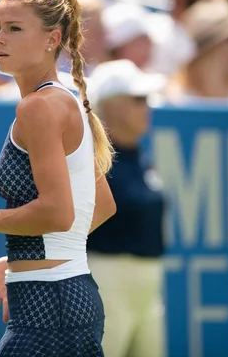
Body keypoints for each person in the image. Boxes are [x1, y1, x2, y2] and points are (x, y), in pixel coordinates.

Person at [0, 0, 117, 356]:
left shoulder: (38, 108)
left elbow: (57, 213)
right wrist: (19, 261)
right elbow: (101, 206)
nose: (0, 38)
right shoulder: (64, 101)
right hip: (68, 297)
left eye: (15, 28)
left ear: (52, 38)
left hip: (51, 307)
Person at [86, 59, 168, 357]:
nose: (146, 107)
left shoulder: (140, 158)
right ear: (110, 106)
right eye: (138, 100)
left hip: (149, 286)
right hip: (107, 283)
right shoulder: (93, 162)